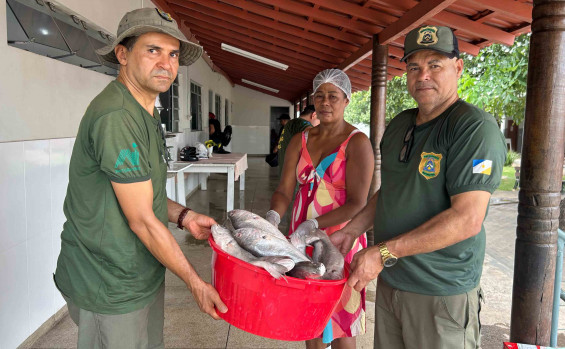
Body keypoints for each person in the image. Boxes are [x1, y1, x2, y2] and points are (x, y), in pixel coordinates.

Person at [53, 8, 227, 348]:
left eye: (173, 54)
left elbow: (146, 197)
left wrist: (184, 216)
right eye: (153, 50)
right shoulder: (117, 115)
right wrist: (195, 283)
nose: (166, 63)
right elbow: (143, 221)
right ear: (122, 54)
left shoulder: (146, 112)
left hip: (140, 272)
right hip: (108, 282)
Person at [330, 25, 507, 349]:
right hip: (393, 283)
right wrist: (352, 230)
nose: (423, 75)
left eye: (435, 65)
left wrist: (384, 252)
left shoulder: (473, 128)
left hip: (441, 292)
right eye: (414, 67)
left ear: (457, 68)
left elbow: (467, 219)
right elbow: (393, 191)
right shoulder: (399, 125)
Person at [266, 69, 374, 349]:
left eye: (333, 96)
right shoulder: (300, 140)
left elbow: (358, 203)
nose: (325, 102)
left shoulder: (357, 143)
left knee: (340, 320)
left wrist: (315, 225)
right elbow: (284, 190)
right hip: (301, 242)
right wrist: (273, 217)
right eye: (320, 96)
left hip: (341, 239)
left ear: (347, 100)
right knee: (308, 315)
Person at [277, 105, 319, 175]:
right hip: (296, 177)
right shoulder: (302, 123)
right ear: (314, 115)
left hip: (287, 173)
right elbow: (315, 137)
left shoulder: (292, 123)